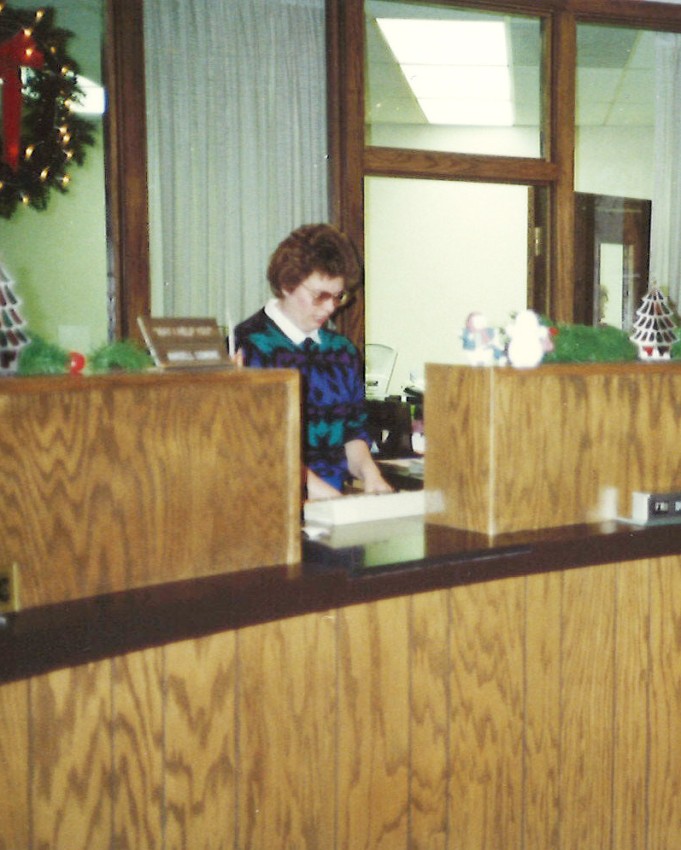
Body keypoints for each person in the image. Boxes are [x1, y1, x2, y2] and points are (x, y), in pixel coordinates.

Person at [235, 223, 392, 501]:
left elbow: (353, 432)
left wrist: (370, 474)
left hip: (332, 501)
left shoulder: (342, 351)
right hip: (271, 506)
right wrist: (327, 498)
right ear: (287, 284)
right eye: (320, 296)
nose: (331, 308)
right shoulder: (247, 346)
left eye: (338, 296)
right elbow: (259, 448)